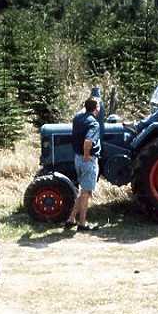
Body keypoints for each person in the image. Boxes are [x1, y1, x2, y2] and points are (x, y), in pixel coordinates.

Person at [65, 97, 101, 231]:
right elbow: (88, 141)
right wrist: (87, 156)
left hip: (77, 158)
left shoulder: (77, 118)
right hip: (87, 160)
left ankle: (71, 219)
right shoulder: (94, 124)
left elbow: (84, 110)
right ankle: (82, 223)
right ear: (96, 108)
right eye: (98, 106)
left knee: (83, 191)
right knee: (86, 193)